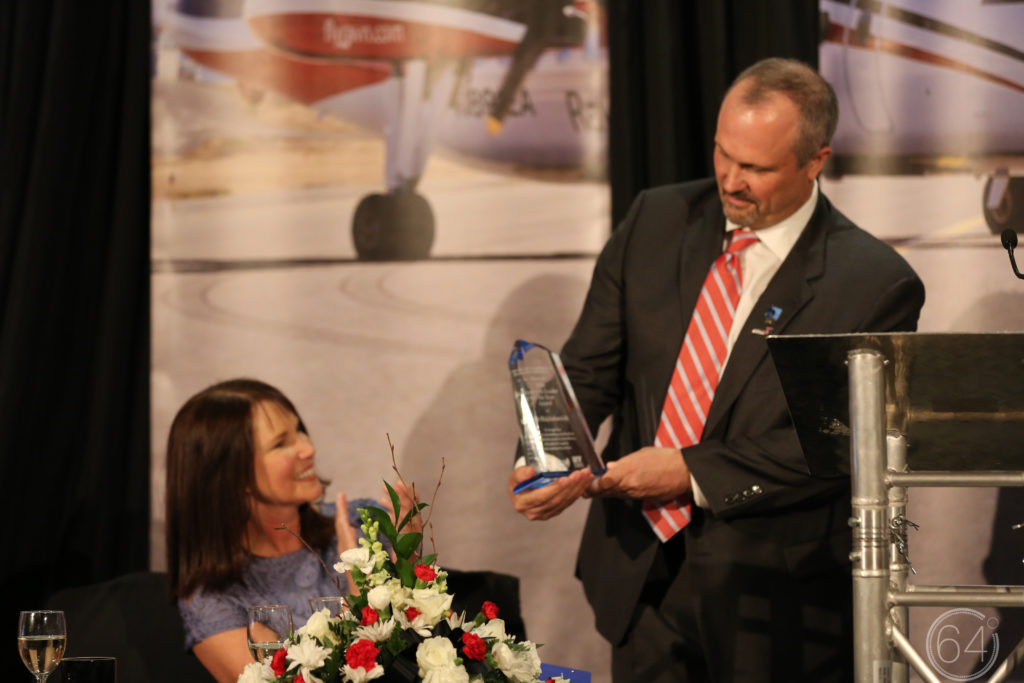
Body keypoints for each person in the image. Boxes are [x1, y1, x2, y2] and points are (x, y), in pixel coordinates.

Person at [508, 58, 925, 682]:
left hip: (774, 599)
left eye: (756, 168)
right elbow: (588, 368)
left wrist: (688, 471)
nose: (731, 180)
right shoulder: (654, 219)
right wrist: (543, 453)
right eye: (722, 154)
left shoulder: (874, 284)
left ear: (817, 160)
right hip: (641, 575)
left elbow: (842, 443)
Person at [165, 378, 415, 683]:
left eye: (299, 431)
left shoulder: (359, 523)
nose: (307, 448)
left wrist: (409, 560)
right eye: (281, 443)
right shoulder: (214, 599)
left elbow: (421, 649)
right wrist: (358, 592)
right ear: (232, 474)